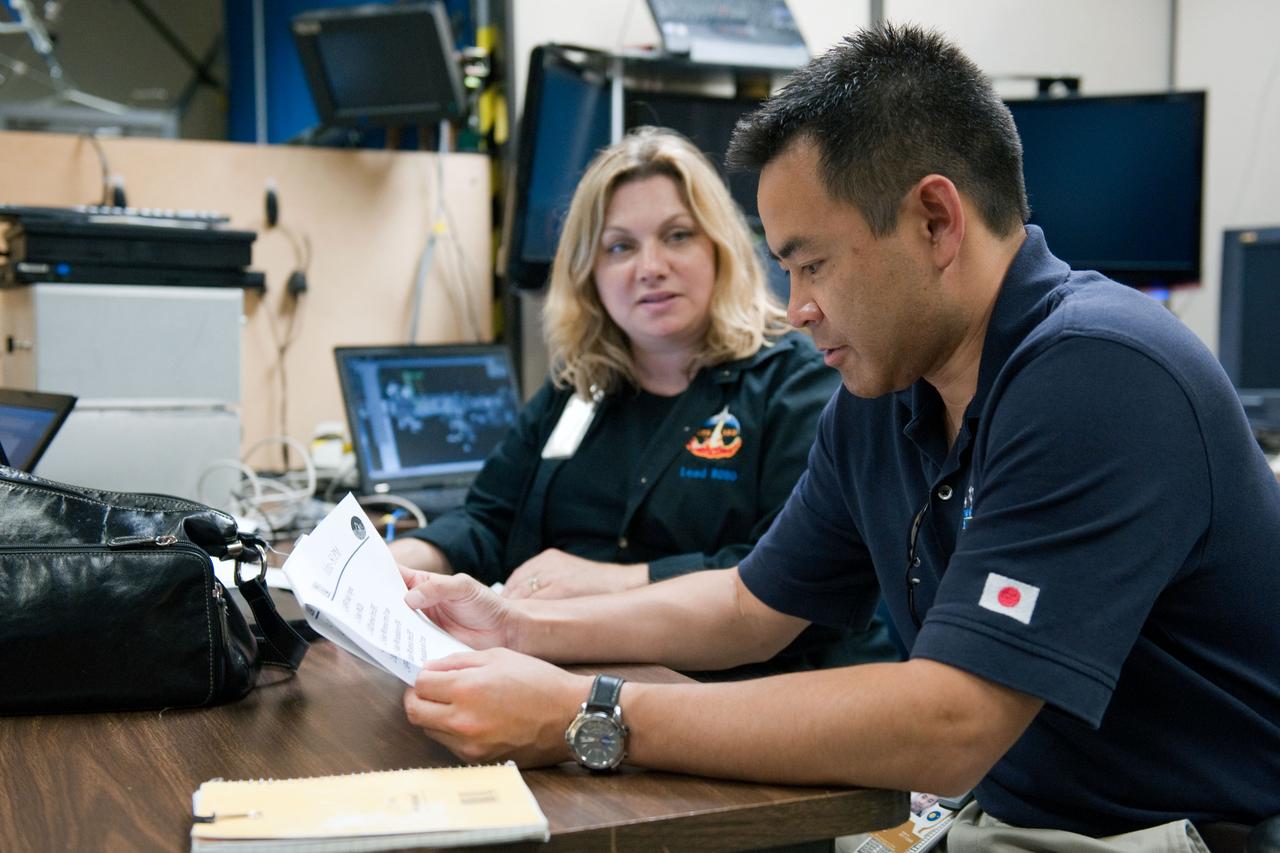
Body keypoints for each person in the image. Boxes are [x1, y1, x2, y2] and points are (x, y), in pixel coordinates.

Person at [397, 24, 1280, 851]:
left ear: (936, 222)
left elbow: (951, 720)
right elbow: (751, 606)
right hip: (1008, 814)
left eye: (812, 262)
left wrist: (582, 713)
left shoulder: (1100, 372)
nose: (795, 304)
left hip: (1168, 834)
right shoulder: (886, 388)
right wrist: (524, 626)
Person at [390, 125, 897, 678]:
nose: (650, 266)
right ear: (590, 274)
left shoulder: (798, 388)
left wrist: (613, 579)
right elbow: (487, 519)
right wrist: (404, 567)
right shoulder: (578, 388)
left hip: (752, 692)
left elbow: (779, 577)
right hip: (568, 673)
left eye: (677, 235)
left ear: (719, 248)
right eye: (620, 247)